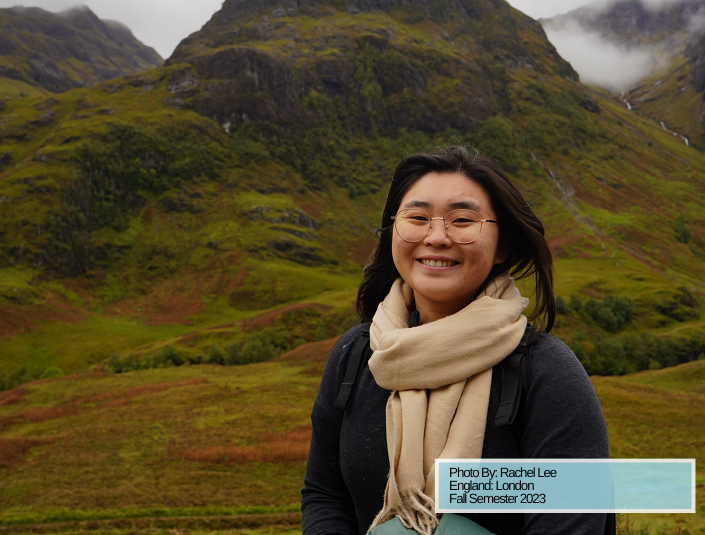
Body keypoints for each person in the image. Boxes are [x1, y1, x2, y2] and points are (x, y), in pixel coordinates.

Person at [301, 146, 609, 535]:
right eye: (417, 217)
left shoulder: (546, 372)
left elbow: (572, 519)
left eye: (463, 220)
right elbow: (325, 494)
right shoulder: (356, 356)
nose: (437, 237)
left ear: (503, 248)